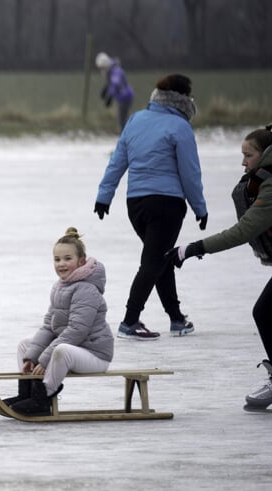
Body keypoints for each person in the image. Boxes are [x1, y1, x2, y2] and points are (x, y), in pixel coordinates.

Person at [172, 123, 272, 411]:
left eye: (248, 155)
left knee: (265, 312)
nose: (243, 162)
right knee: (264, 312)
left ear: (266, 154)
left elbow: (244, 231)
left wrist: (193, 248)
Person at [94, 73, 208, 341]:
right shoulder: (180, 127)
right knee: (154, 261)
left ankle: (177, 319)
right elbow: (190, 173)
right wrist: (199, 207)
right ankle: (129, 321)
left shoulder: (136, 120)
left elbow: (117, 161)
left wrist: (104, 195)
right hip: (166, 204)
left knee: (161, 258)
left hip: (136, 205)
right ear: (184, 98)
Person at [0, 228, 115, 416]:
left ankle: (42, 398)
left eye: (67, 259)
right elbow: (48, 326)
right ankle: (27, 393)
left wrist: (44, 359)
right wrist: (32, 357)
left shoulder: (86, 289)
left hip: (95, 354)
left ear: (81, 261)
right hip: (75, 349)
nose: (61, 264)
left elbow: (77, 330)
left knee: (61, 350)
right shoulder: (60, 287)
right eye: (57, 259)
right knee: (26, 345)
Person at [95, 51, 134, 133]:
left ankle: (126, 139)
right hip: (122, 98)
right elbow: (111, 83)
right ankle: (126, 137)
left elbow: (115, 84)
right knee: (122, 120)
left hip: (125, 97)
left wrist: (110, 97)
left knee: (122, 120)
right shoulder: (110, 71)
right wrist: (105, 89)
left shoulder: (115, 71)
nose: (101, 70)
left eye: (101, 67)